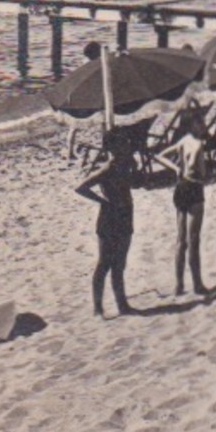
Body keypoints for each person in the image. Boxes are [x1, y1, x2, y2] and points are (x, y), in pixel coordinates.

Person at [76, 125, 137, 318]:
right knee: (104, 264)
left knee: (119, 264)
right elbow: (81, 187)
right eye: (122, 143)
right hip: (109, 219)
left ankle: (122, 304)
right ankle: (98, 307)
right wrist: (103, 201)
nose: (126, 146)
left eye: (126, 143)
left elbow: (135, 182)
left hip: (126, 215)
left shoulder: (125, 164)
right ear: (112, 148)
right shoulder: (108, 168)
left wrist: (134, 167)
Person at [156, 110, 211, 297]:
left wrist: (176, 168)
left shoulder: (183, 141)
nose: (204, 125)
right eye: (201, 121)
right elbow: (201, 173)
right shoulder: (198, 145)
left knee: (180, 241)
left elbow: (160, 155)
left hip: (180, 188)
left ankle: (179, 285)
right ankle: (197, 285)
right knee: (193, 240)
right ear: (193, 124)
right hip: (194, 188)